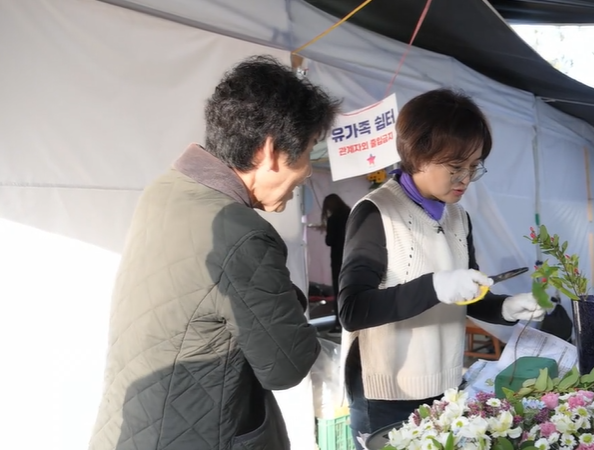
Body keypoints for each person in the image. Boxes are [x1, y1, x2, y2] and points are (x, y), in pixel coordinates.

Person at [88, 55, 340, 450]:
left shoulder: (166, 190)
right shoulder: (240, 234)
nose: (308, 172)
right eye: (308, 151)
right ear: (271, 151)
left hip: (136, 425)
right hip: (196, 435)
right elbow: (286, 366)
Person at [337, 88, 548, 443]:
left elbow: (467, 293)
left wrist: (505, 307)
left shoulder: (458, 216)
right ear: (417, 154)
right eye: (455, 168)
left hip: (445, 384)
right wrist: (435, 285)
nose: (465, 179)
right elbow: (353, 309)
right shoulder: (377, 212)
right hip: (387, 392)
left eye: (473, 167)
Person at [321, 193, 351, 334]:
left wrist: (327, 230)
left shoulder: (333, 219)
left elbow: (329, 241)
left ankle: (339, 323)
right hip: (352, 257)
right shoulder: (351, 214)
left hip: (338, 260)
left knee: (338, 291)